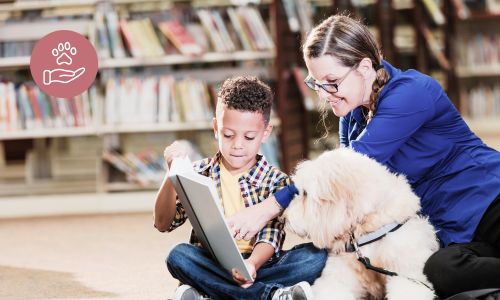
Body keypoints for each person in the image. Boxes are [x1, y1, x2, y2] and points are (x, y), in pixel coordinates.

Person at [227, 15, 500, 299]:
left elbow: (349, 168)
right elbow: (347, 193)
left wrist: (270, 206)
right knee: (440, 272)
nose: (324, 94)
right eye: (316, 83)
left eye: (331, 81)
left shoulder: (412, 92)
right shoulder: (353, 116)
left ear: (365, 67)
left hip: (488, 200)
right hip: (450, 229)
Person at [153, 76, 327, 300]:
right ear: (216, 128)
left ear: (265, 133)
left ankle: (208, 292)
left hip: (261, 265)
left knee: (318, 257)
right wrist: (171, 173)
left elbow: (271, 236)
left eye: (249, 137)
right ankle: (271, 296)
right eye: (228, 134)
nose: (237, 145)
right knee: (178, 256)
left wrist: (251, 265)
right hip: (211, 261)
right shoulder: (197, 172)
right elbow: (162, 223)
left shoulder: (276, 180)